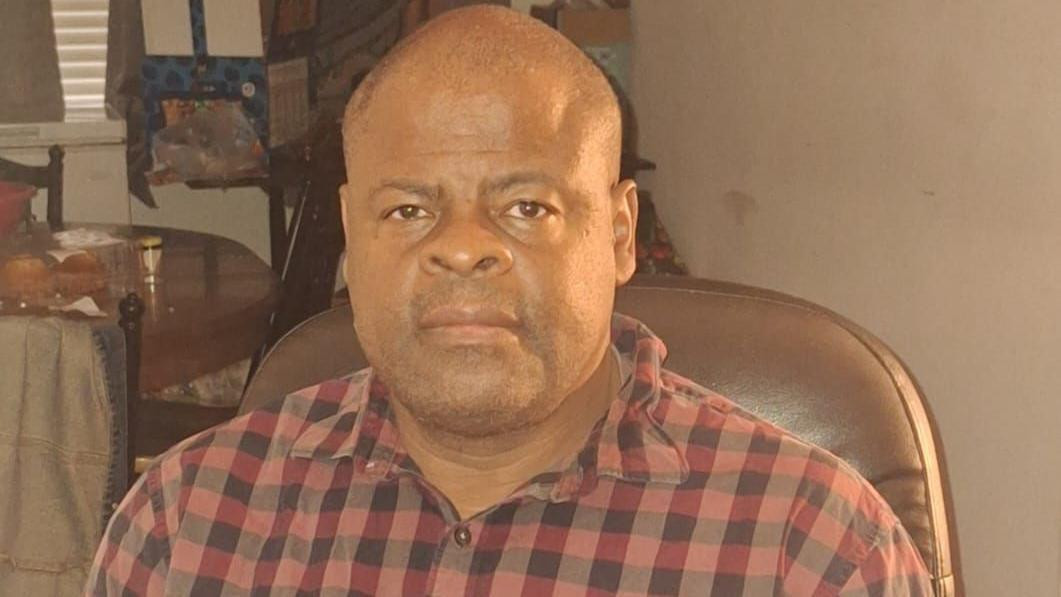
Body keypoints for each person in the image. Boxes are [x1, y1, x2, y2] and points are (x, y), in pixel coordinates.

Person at [87, 7, 932, 596]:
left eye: (526, 206)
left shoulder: (810, 548)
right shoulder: (186, 521)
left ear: (618, 232)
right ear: (351, 232)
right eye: (408, 209)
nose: (461, 246)